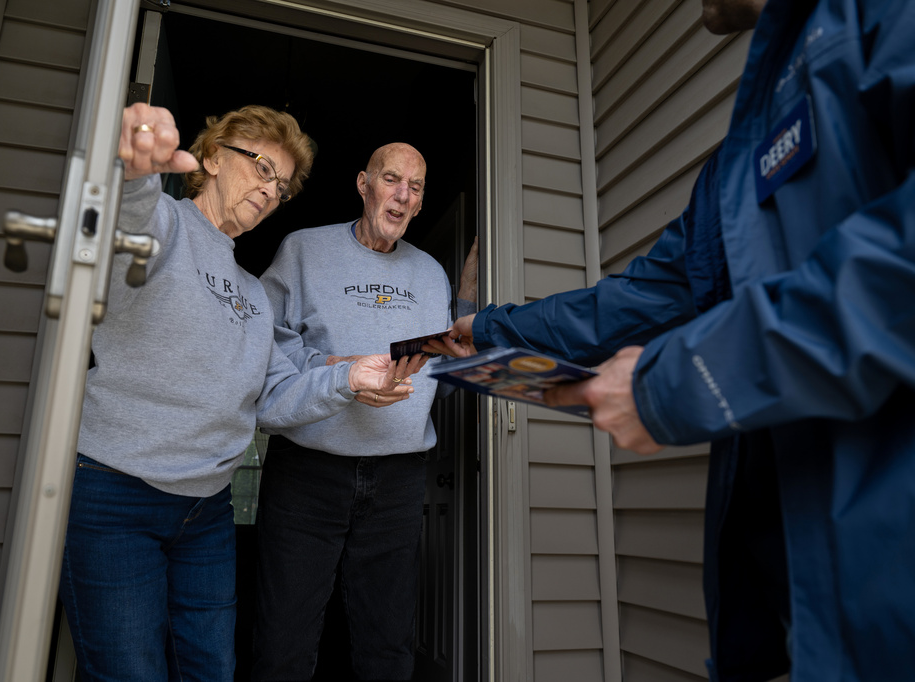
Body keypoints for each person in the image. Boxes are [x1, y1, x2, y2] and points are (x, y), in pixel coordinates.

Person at [436, 0, 915, 679]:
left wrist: (672, 385)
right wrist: (489, 327)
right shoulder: (736, 160)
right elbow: (638, 301)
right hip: (791, 593)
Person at [59, 103, 421, 682]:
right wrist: (133, 173)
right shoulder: (166, 228)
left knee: (211, 669)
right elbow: (126, 230)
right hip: (116, 495)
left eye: (280, 183)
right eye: (259, 166)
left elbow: (274, 398)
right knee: (131, 670)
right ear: (209, 158)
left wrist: (348, 379)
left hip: (204, 510)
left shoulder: (253, 295)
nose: (269, 188)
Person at [251, 142, 477, 681]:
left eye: (415, 187)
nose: (402, 196)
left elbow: (436, 370)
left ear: (421, 203)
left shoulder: (429, 274)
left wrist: (470, 324)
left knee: (389, 643)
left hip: (399, 479)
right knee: (284, 639)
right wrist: (338, 367)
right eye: (391, 179)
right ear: (363, 184)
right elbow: (261, 343)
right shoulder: (303, 250)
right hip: (308, 472)